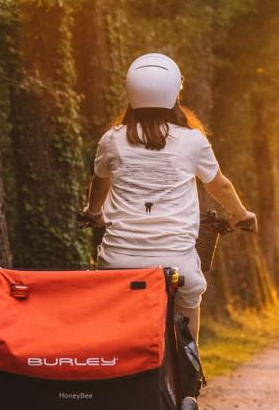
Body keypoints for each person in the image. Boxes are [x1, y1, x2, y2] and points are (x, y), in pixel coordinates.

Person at [83, 53, 255, 344]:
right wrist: (240, 213)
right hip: (175, 262)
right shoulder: (192, 140)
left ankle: (118, 363)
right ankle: (188, 379)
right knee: (189, 298)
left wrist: (93, 213)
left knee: (117, 319)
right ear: (176, 92)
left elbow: (100, 185)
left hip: (118, 261)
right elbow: (220, 186)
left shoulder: (112, 139)